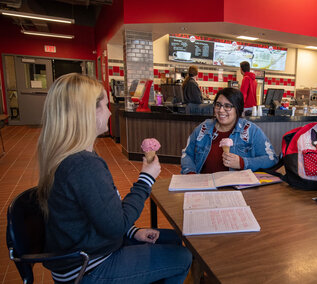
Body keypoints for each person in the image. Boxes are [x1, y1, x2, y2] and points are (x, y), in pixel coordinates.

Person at [37, 73, 192, 284]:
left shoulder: (69, 157)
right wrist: (146, 178)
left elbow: (101, 214)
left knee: (173, 238)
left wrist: (133, 231)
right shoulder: (83, 164)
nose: (110, 112)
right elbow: (115, 225)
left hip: (87, 252)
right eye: (102, 105)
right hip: (87, 268)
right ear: (84, 113)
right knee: (183, 257)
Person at [181, 87, 278, 174]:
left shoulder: (251, 131)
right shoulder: (203, 128)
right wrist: (190, 174)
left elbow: (271, 159)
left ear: (237, 109)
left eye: (227, 106)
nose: (221, 110)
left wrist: (243, 163)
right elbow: (187, 154)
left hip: (238, 189)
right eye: (218, 105)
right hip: (205, 187)